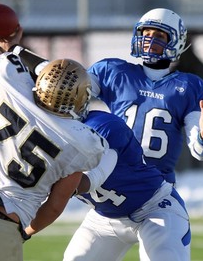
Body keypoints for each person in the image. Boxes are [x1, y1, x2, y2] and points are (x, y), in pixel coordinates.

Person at [0, 0, 116, 260]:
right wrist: (27, 231)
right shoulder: (83, 143)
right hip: (0, 229)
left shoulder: (8, 84)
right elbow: (55, 204)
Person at [87, 8, 203, 184]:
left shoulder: (189, 86)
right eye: (146, 33)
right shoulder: (115, 72)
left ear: (176, 42)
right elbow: (73, 92)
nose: (149, 39)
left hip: (157, 186)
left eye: (158, 36)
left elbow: (199, 152)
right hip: (113, 179)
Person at [63, 107, 191, 261]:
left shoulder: (102, 126)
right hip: (104, 218)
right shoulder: (47, 133)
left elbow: (91, 180)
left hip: (153, 207)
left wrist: (53, 181)